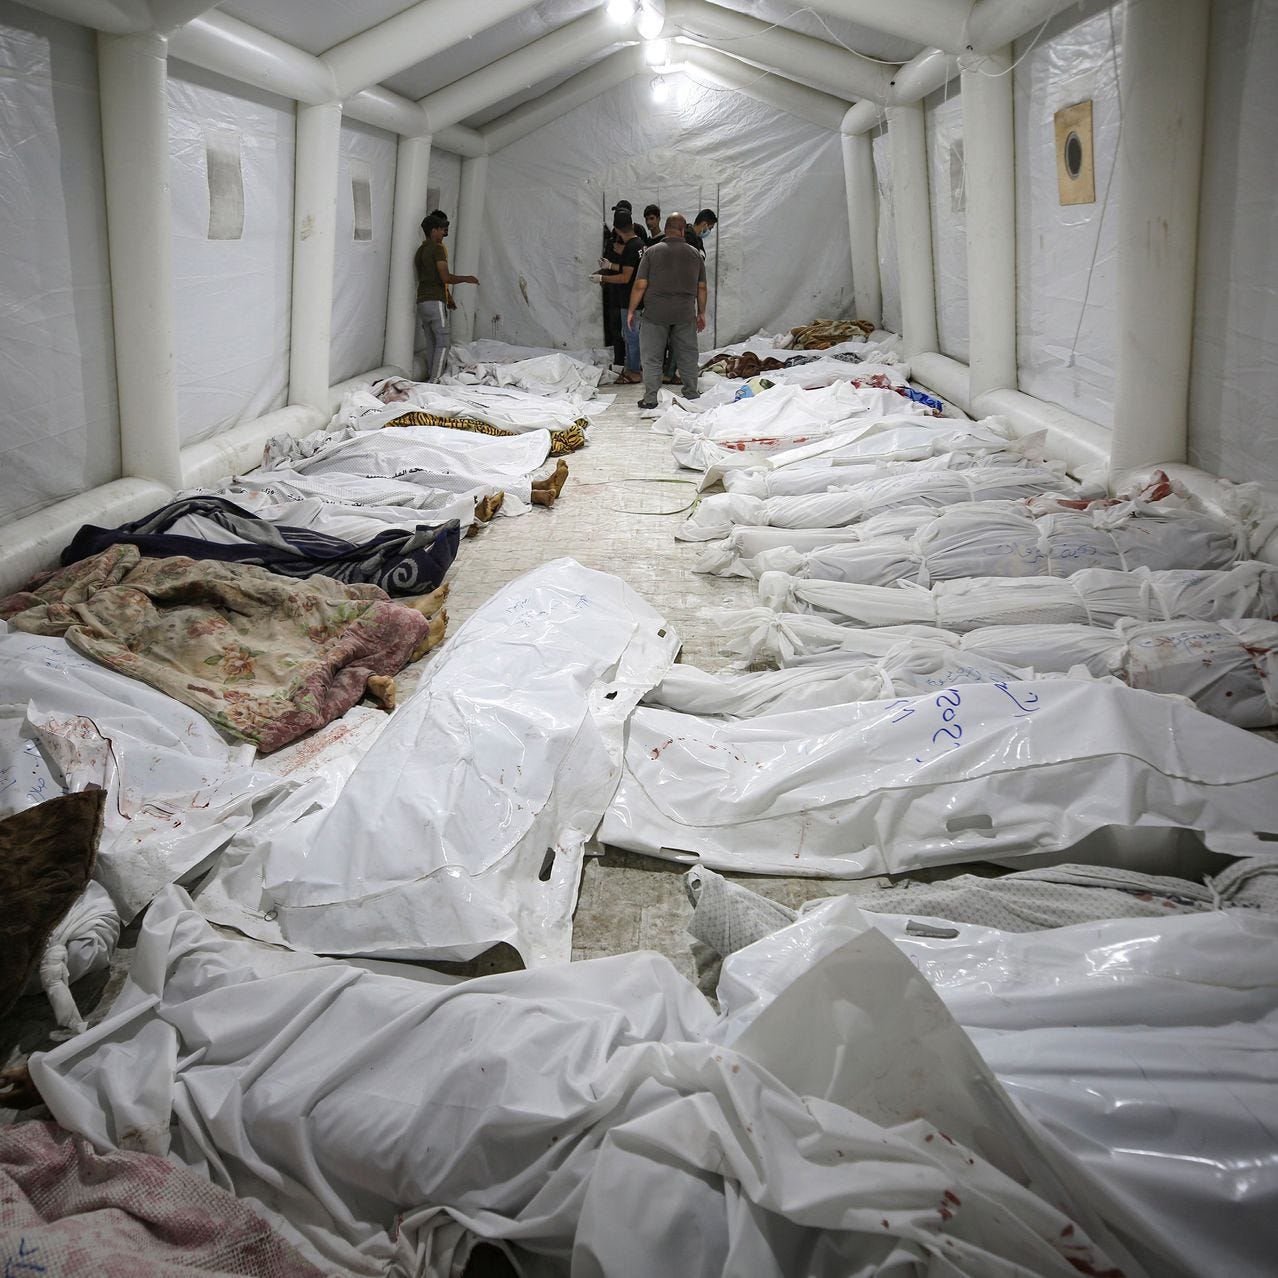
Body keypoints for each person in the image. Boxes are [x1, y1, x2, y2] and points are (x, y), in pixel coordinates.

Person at [627, 212, 707, 410]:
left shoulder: (652, 252)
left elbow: (640, 284)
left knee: (652, 357)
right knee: (687, 355)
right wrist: (701, 313)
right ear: (682, 230)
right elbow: (702, 287)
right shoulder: (694, 254)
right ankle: (691, 393)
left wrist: (631, 310)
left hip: (655, 314)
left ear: (666, 228)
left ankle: (651, 399)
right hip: (684, 313)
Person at [414, 212, 478, 381]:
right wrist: (466, 278)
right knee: (443, 342)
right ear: (434, 230)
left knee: (431, 343)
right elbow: (445, 277)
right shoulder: (437, 250)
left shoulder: (420, 250)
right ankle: (434, 380)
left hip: (422, 301)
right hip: (435, 301)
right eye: (442, 230)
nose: (444, 233)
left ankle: (430, 375)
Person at [591, 208, 643, 384]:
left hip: (630, 299)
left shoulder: (630, 248)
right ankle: (633, 368)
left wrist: (602, 277)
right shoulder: (640, 244)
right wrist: (611, 265)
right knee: (630, 335)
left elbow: (626, 277)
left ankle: (634, 371)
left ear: (617, 229)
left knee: (631, 336)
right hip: (637, 298)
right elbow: (629, 268)